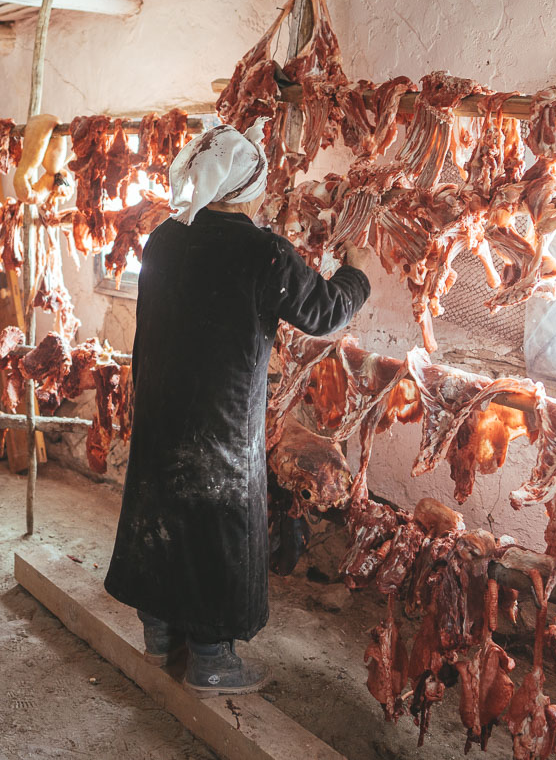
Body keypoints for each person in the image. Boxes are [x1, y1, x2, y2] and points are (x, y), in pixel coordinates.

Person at [104, 118, 370, 697]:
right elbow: (325, 313)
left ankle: (159, 635)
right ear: (250, 184)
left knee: (163, 507)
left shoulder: (165, 238)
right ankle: (212, 659)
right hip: (220, 419)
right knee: (215, 520)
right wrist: (356, 271)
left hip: (160, 403)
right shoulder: (261, 252)